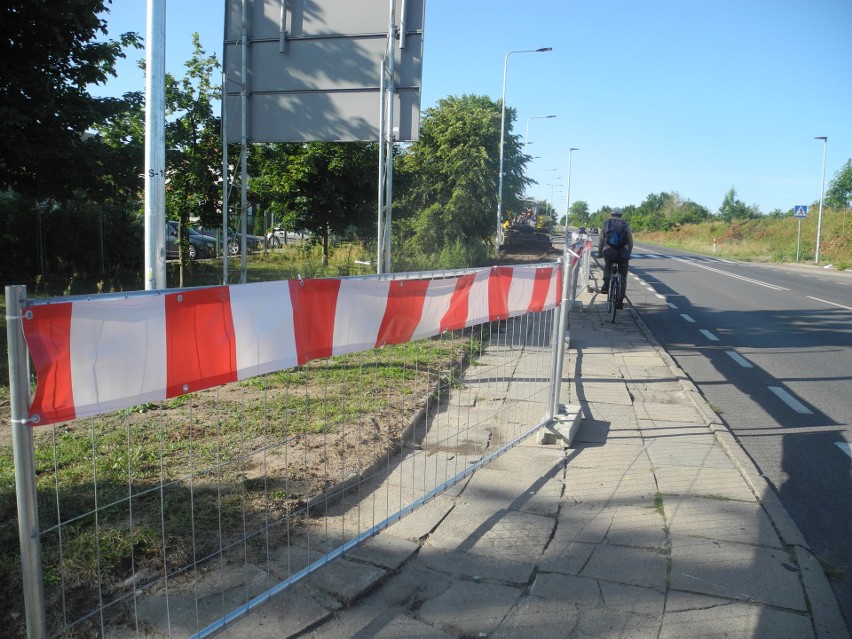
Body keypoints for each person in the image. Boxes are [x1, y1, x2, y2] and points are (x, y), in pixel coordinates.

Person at [598, 207, 633, 309]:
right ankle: (620, 301)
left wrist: (600, 253)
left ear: (611, 214)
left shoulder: (605, 224)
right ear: (621, 215)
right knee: (623, 277)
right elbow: (630, 243)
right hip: (623, 254)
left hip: (610, 252)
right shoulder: (626, 225)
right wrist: (628, 254)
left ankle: (606, 283)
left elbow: (601, 242)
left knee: (608, 266)